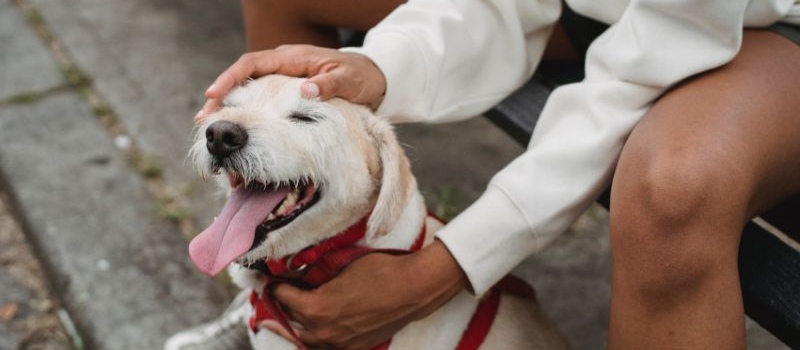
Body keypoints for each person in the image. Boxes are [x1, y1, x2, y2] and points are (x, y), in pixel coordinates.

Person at [169, 0, 800, 349]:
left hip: (753, 20)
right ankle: (279, 293)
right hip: (603, 7)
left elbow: (661, 50)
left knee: (674, 186)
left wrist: (447, 265)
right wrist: (371, 67)